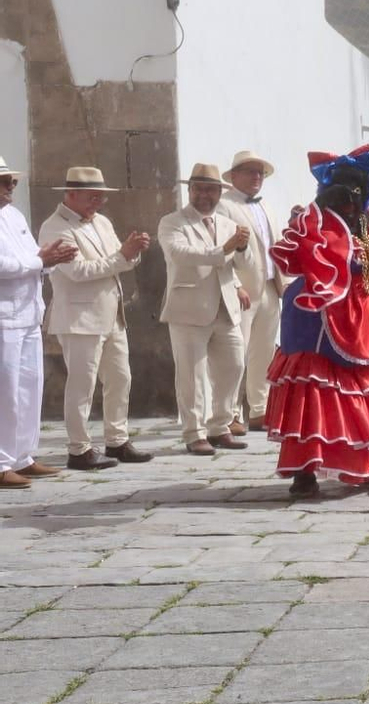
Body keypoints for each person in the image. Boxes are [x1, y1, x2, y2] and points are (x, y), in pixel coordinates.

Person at [266, 146, 369, 498]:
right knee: (315, 391)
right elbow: (297, 258)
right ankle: (306, 471)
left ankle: (361, 467)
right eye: (345, 193)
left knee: (354, 393)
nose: (350, 201)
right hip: (314, 322)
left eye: (356, 193)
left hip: (360, 321)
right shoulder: (312, 223)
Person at [40, 166, 153, 470]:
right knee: (82, 385)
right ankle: (79, 449)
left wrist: (132, 251)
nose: (98, 202)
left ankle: (116, 440)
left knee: (120, 378)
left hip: (111, 314)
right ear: (71, 195)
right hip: (79, 318)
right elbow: (78, 272)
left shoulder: (101, 222)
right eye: (92, 197)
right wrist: (123, 256)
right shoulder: (55, 227)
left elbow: (120, 260)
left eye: (101, 197)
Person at [158, 163, 252, 456]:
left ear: (219, 193)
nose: (204, 195)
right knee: (192, 374)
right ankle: (194, 432)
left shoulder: (225, 223)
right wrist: (225, 249)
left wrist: (239, 257)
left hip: (225, 305)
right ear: (190, 190)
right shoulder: (173, 222)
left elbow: (239, 262)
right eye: (198, 189)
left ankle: (220, 426)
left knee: (234, 366)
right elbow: (182, 255)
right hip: (189, 308)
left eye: (210, 190)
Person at [0, 155, 76, 487]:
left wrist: (49, 260)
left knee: (29, 388)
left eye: (12, 181)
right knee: (5, 393)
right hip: (3, 317)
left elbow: (32, 255)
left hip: (28, 313)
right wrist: (38, 260)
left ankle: (22, 456)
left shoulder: (13, 215)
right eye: (5, 182)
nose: (10, 187)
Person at [220, 149, 282, 433]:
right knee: (235, 354)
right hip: (243, 289)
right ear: (234, 176)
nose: (256, 177)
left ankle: (259, 409)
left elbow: (276, 245)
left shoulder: (266, 206)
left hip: (269, 285)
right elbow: (222, 250)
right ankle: (229, 412)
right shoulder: (224, 206)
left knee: (264, 352)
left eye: (260, 173)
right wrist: (234, 284)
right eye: (249, 171)